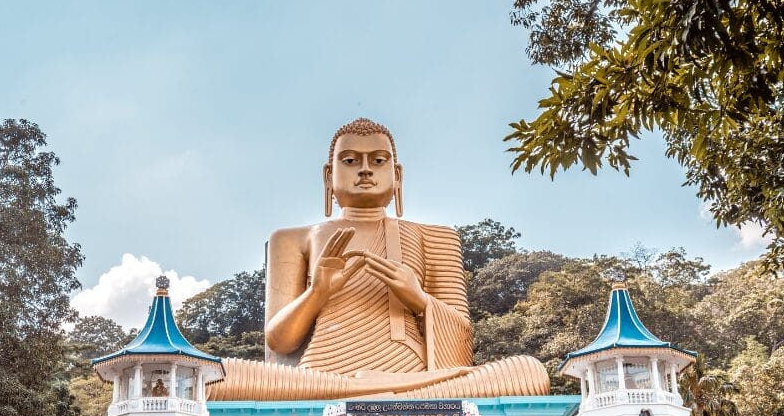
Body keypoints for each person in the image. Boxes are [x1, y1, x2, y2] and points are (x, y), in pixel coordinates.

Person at [208, 118, 548, 400]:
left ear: (397, 175)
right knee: (218, 379)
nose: (366, 170)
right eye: (351, 160)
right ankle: (383, 396)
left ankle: (377, 394)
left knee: (529, 373)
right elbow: (280, 343)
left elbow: (461, 340)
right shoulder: (293, 238)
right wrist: (317, 294)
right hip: (320, 379)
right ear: (329, 176)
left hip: (418, 378)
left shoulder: (437, 236)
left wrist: (419, 299)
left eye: (379, 161)